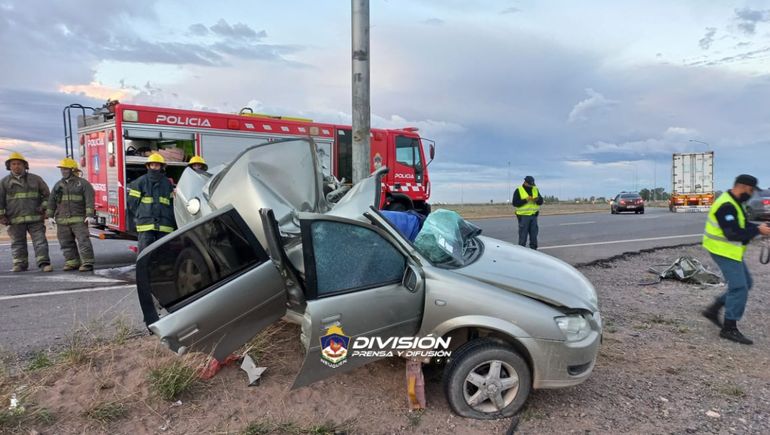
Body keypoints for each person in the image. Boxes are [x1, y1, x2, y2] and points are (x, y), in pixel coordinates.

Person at [701, 174, 770, 345]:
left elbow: (742, 225)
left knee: (747, 283)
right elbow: (732, 234)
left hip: (730, 251)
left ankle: (713, 309)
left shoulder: (736, 202)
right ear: (742, 186)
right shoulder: (726, 205)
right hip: (722, 250)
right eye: (751, 189)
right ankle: (729, 328)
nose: (752, 193)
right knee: (739, 287)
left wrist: (759, 228)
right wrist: (758, 231)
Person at [0, 152, 52, 272]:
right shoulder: (4, 183)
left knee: (40, 242)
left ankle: (44, 263)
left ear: (24, 165)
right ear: (9, 166)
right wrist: (1, 216)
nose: (16, 166)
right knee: (17, 243)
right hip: (15, 219)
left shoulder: (36, 179)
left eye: (19, 164)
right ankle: (20, 264)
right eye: (13, 164)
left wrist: (43, 207)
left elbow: (48, 197)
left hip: (35, 218)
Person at [47, 158, 96, 272]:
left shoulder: (83, 184)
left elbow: (89, 199)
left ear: (73, 170)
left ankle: (87, 262)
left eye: (65, 169)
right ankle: (72, 262)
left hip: (79, 220)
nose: (63, 171)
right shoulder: (58, 185)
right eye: (62, 169)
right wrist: (50, 215)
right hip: (62, 220)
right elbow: (51, 201)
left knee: (83, 241)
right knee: (65, 242)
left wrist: (89, 214)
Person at [127, 153, 176, 253]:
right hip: (146, 223)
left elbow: (172, 203)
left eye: (157, 165)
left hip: (164, 223)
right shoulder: (140, 182)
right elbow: (132, 203)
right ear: (148, 166)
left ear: (161, 167)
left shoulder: (167, 183)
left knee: (163, 252)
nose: (154, 167)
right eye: (152, 165)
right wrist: (141, 214)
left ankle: (161, 269)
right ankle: (144, 269)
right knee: (145, 252)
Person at [511, 175, 544, 249]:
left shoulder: (535, 189)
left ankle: (534, 252)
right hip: (523, 217)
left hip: (534, 216)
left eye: (532, 185)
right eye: (530, 184)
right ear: (525, 182)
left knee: (534, 236)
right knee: (523, 237)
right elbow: (515, 203)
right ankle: (521, 253)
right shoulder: (518, 190)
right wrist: (526, 200)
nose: (531, 186)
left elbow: (541, 201)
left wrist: (537, 200)